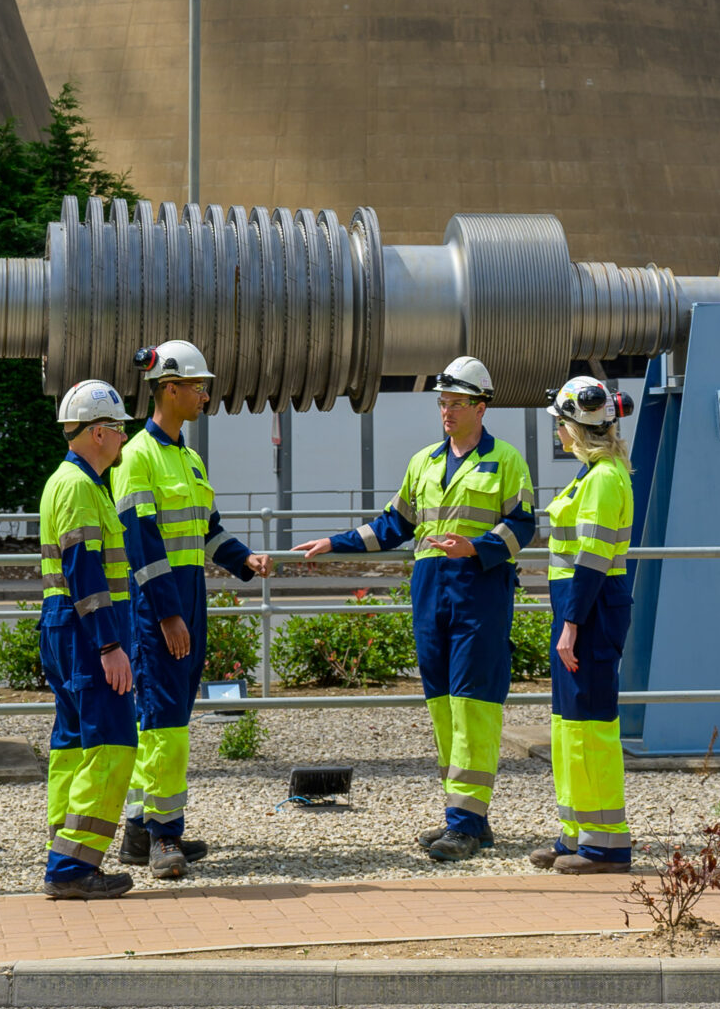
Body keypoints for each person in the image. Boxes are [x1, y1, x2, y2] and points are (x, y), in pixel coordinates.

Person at [301, 358, 534, 860]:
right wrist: (336, 543)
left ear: (481, 405)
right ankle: (467, 816)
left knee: (473, 708)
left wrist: (475, 548)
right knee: (443, 709)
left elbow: (524, 525)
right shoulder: (424, 462)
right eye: (442, 403)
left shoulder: (506, 461)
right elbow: (393, 525)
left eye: (455, 403)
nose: (446, 412)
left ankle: (465, 824)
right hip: (430, 594)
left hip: (480, 593)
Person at [111, 340, 271, 880]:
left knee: (168, 714)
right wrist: (168, 614)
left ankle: (139, 829)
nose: (205, 394)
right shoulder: (137, 456)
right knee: (163, 723)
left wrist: (243, 559)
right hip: (162, 605)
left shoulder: (188, 456)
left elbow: (208, 529)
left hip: (188, 597)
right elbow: (141, 542)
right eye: (198, 386)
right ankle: (163, 837)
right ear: (170, 389)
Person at [37, 380, 139, 898]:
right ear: (99, 432)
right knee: (113, 743)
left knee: (73, 746)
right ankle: (74, 868)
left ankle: (65, 853)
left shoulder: (68, 481)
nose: (124, 439)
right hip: (86, 631)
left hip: (63, 626)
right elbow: (85, 570)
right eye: (119, 429)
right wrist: (109, 645)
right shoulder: (81, 487)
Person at [534, 373, 636, 874]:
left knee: (591, 726)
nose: (557, 432)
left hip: (589, 612)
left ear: (576, 427)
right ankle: (576, 832)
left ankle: (606, 846)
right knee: (568, 726)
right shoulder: (594, 474)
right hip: (582, 609)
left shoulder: (602, 479)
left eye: (560, 424)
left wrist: (571, 624)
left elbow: (593, 558)